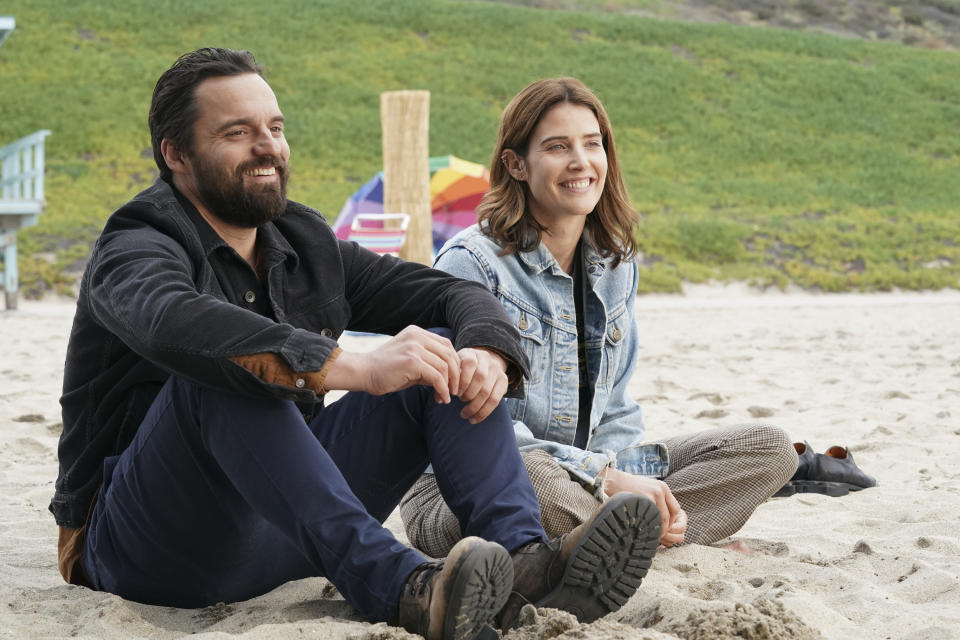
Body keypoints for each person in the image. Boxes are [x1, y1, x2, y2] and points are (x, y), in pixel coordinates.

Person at [50, 51, 662, 640]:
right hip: (146, 546)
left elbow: (446, 293)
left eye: (276, 128)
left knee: (436, 351)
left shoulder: (299, 238)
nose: (268, 147)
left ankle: (526, 561)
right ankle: (410, 592)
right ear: (175, 153)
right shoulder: (138, 239)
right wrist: (355, 367)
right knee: (231, 371)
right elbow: (175, 322)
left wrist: (487, 350)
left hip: (290, 531)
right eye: (238, 132)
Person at [400, 77, 799, 558]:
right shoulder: (473, 263)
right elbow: (474, 421)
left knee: (769, 447)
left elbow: (616, 408)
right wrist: (606, 481)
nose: (580, 162)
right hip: (471, 484)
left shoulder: (615, 265)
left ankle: (617, 540)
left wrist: (617, 476)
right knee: (538, 482)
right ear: (516, 164)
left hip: (589, 476)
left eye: (593, 144)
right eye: (557, 146)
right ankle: (632, 538)